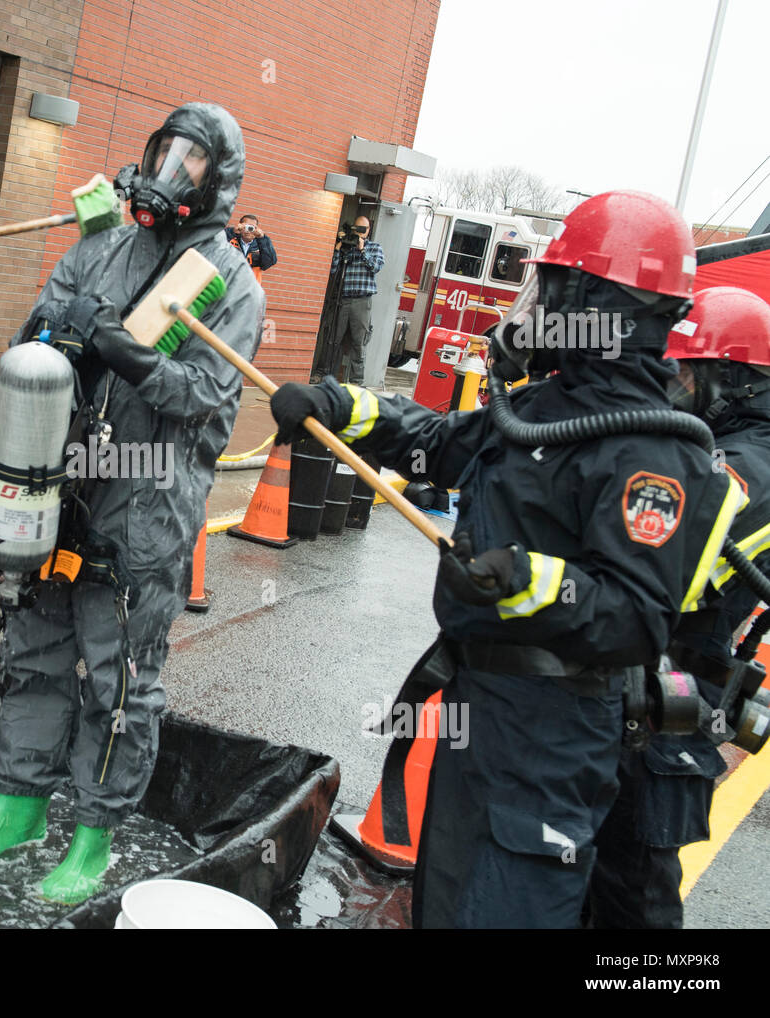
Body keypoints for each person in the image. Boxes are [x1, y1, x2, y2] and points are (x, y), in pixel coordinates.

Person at [270, 190, 746, 928]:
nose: (536, 309)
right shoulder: (545, 407)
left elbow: (633, 618)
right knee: (446, 904)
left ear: (605, 306)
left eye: (553, 290)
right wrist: (341, 406)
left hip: (553, 734)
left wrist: (527, 581)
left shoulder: (652, 453)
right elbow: (441, 440)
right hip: (479, 711)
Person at [0, 103, 265, 904]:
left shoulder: (230, 285)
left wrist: (121, 345)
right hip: (61, 488)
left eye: (191, 160)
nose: (170, 169)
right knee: (36, 656)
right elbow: (30, 338)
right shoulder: (102, 248)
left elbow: (207, 402)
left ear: (217, 180)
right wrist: (58, 334)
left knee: (118, 680)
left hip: (144, 501)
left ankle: (94, 837)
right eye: (166, 151)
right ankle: (17, 808)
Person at [587, 286, 770, 929]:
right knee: (597, 867)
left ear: (734, 381)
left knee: (635, 889)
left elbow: (668, 545)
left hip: (670, 709)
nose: (670, 381)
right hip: (646, 691)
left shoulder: (755, 465)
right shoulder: (720, 442)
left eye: (684, 370)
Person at [328, 215, 383, 384]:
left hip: (362, 301)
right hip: (344, 299)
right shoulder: (347, 247)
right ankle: (328, 377)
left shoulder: (375, 247)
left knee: (358, 342)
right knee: (334, 338)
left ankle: (356, 381)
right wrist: (338, 248)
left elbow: (376, 267)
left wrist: (362, 250)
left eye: (363, 230)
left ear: (368, 231)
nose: (360, 233)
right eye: (357, 228)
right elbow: (333, 269)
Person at [225, 213, 277, 284]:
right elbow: (214, 247)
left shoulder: (261, 245)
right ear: (240, 225)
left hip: (250, 289)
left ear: (256, 229)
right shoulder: (230, 239)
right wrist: (232, 231)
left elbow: (268, 263)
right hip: (227, 285)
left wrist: (262, 238)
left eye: (251, 227)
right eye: (245, 226)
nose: (248, 230)